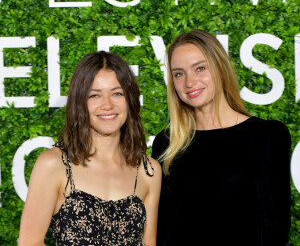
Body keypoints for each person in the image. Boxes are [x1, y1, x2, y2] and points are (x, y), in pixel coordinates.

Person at [151, 29, 291, 246]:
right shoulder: (166, 143)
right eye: (179, 73)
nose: (189, 82)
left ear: (220, 69)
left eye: (199, 68)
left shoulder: (266, 137)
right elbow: (162, 228)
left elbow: (276, 226)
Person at [19, 51, 161, 246]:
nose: (107, 105)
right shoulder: (54, 164)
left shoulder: (149, 170)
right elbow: (30, 242)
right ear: (80, 102)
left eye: (117, 93)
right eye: (95, 95)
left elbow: (149, 243)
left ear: (130, 100)